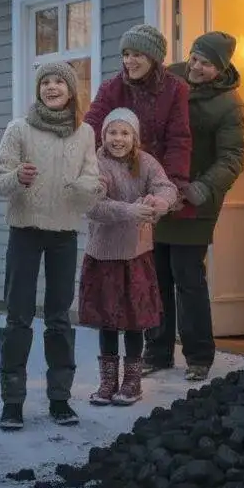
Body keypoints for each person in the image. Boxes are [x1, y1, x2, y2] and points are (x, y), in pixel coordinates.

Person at [0, 61, 102, 431]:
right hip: (24, 231)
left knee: (58, 317)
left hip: (64, 234)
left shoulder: (84, 132)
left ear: (71, 91)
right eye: (45, 82)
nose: (52, 87)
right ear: (38, 89)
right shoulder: (18, 129)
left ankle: (60, 399)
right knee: (18, 315)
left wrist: (88, 187)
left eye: (59, 82)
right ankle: (12, 403)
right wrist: (17, 178)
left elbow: (93, 178)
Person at [144, 31, 244, 381]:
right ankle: (157, 352)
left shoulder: (229, 104)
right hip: (160, 194)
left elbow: (234, 155)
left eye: (206, 63)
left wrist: (201, 188)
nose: (197, 67)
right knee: (156, 274)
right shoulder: (168, 79)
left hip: (195, 200)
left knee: (187, 276)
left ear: (221, 68)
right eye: (194, 58)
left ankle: (199, 356)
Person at [79, 108, 177, 405]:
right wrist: (129, 210)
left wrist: (160, 202)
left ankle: (131, 381)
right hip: (103, 254)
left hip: (136, 254)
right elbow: (93, 205)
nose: (117, 139)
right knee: (108, 321)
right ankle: (108, 381)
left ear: (134, 137)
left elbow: (167, 187)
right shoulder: (94, 163)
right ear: (103, 135)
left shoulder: (146, 163)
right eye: (112, 132)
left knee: (134, 321)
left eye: (124, 133)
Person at [83, 23, 192, 222]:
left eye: (137, 55)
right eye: (126, 54)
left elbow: (178, 141)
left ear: (153, 58)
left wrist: (170, 190)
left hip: (157, 181)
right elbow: (89, 129)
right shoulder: (111, 88)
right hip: (118, 181)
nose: (129, 61)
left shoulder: (176, 89)